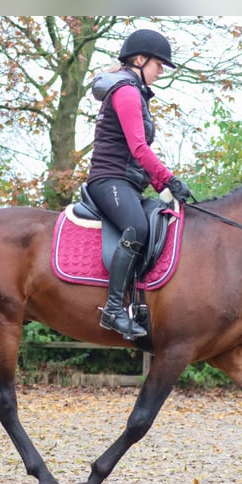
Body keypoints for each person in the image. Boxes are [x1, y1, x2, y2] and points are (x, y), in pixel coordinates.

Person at [86, 29, 192, 339]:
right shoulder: (127, 92)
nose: (161, 71)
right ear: (140, 59)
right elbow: (138, 148)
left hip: (128, 183)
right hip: (109, 180)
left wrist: (161, 186)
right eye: (159, 65)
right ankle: (114, 309)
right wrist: (168, 179)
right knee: (137, 228)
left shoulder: (135, 92)